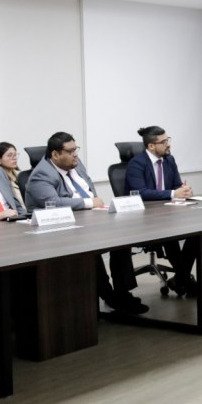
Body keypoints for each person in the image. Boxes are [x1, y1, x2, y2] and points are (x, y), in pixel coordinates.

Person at [26, 131, 146, 314]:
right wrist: (89, 203)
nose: (75, 154)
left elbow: (89, 189)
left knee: (121, 238)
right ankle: (108, 295)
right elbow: (53, 202)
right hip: (57, 230)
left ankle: (122, 292)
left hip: (87, 219)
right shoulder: (41, 174)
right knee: (90, 245)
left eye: (76, 149)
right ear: (55, 155)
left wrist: (95, 206)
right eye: (70, 151)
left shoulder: (75, 163)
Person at [123, 126, 200, 297]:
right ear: (151, 146)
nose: (168, 144)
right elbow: (140, 193)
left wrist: (184, 190)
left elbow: (177, 186)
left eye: (168, 140)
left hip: (168, 214)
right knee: (170, 237)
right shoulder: (136, 164)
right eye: (164, 142)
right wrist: (173, 193)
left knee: (198, 233)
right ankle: (185, 280)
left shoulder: (169, 160)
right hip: (143, 218)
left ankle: (180, 278)